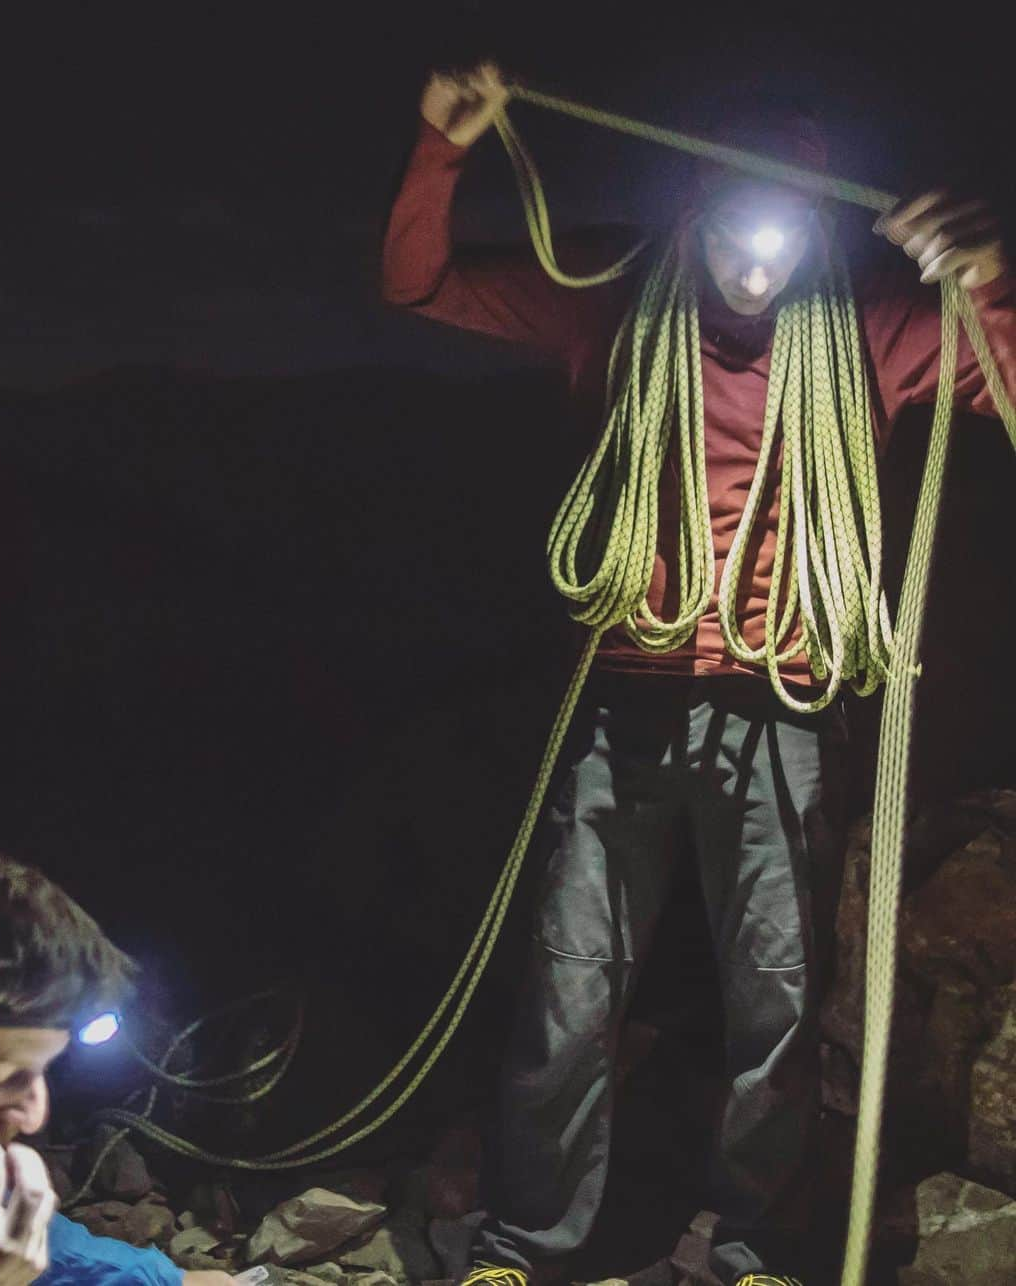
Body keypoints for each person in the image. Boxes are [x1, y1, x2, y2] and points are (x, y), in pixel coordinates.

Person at [381, 63, 1016, 1286]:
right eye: (734, 219)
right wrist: (438, 153)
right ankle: (526, 1240)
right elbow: (422, 285)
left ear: (821, 219)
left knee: (776, 1007)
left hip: (786, 704)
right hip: (626, 699)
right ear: (694, 209)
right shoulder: (618, 298)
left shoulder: (874, 320)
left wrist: (988, 279)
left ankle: (753, 1247)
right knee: (569, 988)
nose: (757, 258)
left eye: (786, 224)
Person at [0, 817, 235, 1285]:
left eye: (42, 1072)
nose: (34, 1116)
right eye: (4, 1075)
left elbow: (56, 1249)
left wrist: (162, 1279)